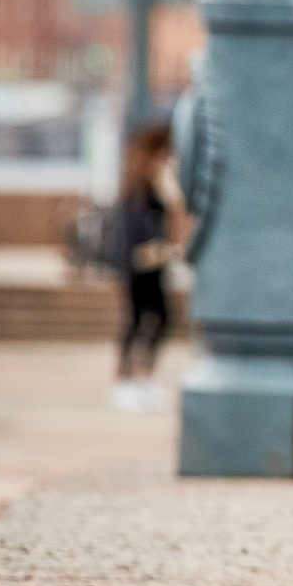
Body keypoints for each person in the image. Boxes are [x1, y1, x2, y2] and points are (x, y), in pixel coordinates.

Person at [111, 123, 178, 411]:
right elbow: (135, 224)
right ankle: (125, 381)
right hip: (139, 262)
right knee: (138, 318)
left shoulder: (153, 180)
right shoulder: (143, 179)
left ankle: (142, 379)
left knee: (158, 319)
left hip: (153, 262)